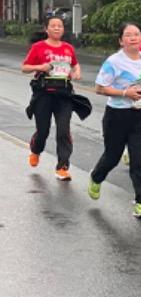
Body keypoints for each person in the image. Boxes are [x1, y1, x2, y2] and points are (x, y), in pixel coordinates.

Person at [88, 23, 141, 219]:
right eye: (128, 35)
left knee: (138, 160)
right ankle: (96, 177)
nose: (133, 38)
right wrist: (125, 93)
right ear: (121, 40)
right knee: (112, 157)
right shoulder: (113, 62)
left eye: (136, 34)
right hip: (117, 115)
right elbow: (99, 88)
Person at [21, 15, 81, 180]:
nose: (56, 28)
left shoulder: (68, 48)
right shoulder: (38, 47)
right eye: (53, 26)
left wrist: (76, 72)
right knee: (43, 131)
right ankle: (35, 150)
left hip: (64, 95)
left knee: (63, 131)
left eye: (59, 26)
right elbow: (24, 67)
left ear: (63, 29)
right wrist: (41, 67)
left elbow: (75, 63)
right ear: (46, 29)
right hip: (44, 95)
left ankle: (62, 167)